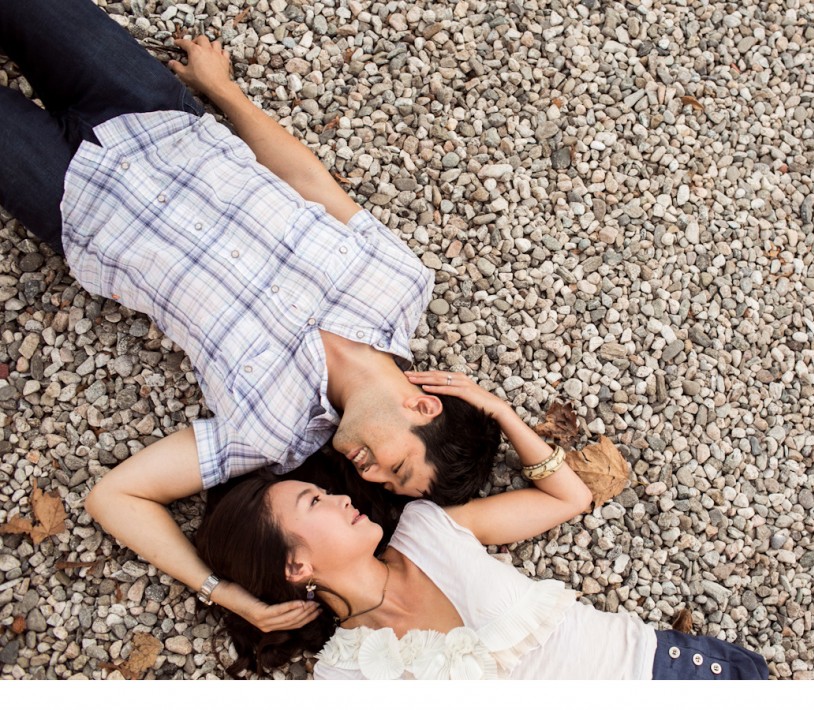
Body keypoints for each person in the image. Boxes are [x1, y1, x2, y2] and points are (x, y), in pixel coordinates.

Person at [0, 0, 499, 634]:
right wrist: (222, 91)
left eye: (383, 483)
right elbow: (308, 181)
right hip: (159, 118)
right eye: (395, 467)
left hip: (76, 203)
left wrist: (224, 593)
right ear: (424, 406)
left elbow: (114, 498)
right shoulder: (398, 286)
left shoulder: (273, 434)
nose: (366, 475)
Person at [197, 372, 770, 680]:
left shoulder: (426, 528)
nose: (339, 497)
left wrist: (497, 411)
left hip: (670, 673)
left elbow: (566, 497)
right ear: (297, 566)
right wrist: (227, 596)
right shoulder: (345, 675)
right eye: (313, 502)